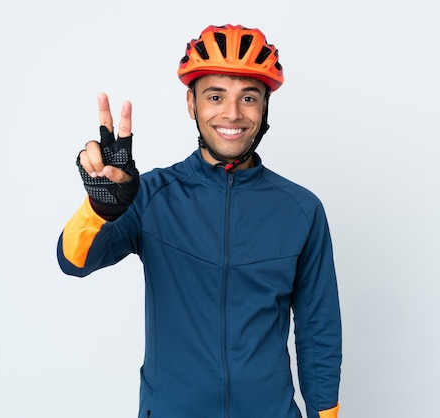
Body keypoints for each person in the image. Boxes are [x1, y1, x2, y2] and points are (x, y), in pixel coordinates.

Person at [57, 24, 342, 418]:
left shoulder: (301, 209)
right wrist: (101, 208)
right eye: (215, 96)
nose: (232, 113)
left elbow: (318, 328)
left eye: (248, 97)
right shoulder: (150, 195)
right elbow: (75, 262)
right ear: (191, 104)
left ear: (265, 108)